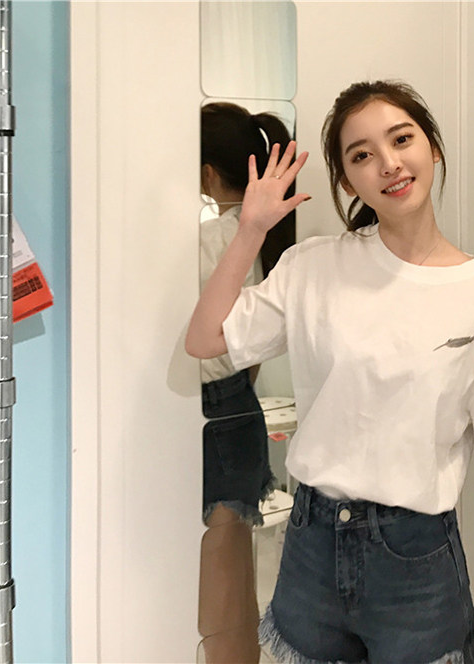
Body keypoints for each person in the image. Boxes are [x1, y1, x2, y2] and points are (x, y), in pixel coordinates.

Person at [186, 81, 474, 664]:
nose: (388, 163)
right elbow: (205, 339)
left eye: (402, 139)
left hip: (416, 558)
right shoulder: (314, 266)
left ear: (432, 148)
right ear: (347, 182)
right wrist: (250, 230)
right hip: (310, 548)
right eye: (362, 154)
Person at [197, 101, 295, 663]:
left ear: (208, 173)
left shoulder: (211, 237)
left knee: (216, 575)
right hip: (238, 403)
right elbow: (248, 353)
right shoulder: (251, 234)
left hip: (213, 409)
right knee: (233, 570)